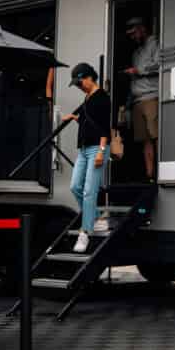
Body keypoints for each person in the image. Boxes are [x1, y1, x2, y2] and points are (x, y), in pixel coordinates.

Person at [63, 62, 111, 253]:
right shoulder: (87, 97)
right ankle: (98, 218)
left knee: (90, 191)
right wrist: (75, 118)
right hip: (83, 149)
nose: (78, 85)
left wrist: (100, 151)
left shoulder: (102, 98)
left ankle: (85, 232)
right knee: (75, 186)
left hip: (96, 149)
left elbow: (104, 127)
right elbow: (88, 121)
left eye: (79, 82)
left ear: (90, 77)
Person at [122, 16, 160, 181]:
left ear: (142, 29)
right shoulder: (136, 52)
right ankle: (149, 175)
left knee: (156, 136)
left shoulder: (156, 43)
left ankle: (161, 173)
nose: (132, 37)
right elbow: (134, 78)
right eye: (129, 35)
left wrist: (138, 70)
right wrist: (127, 104)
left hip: (152, 97)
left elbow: (160, 64)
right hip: (137, 100)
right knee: (144, 140)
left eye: (134, 33)